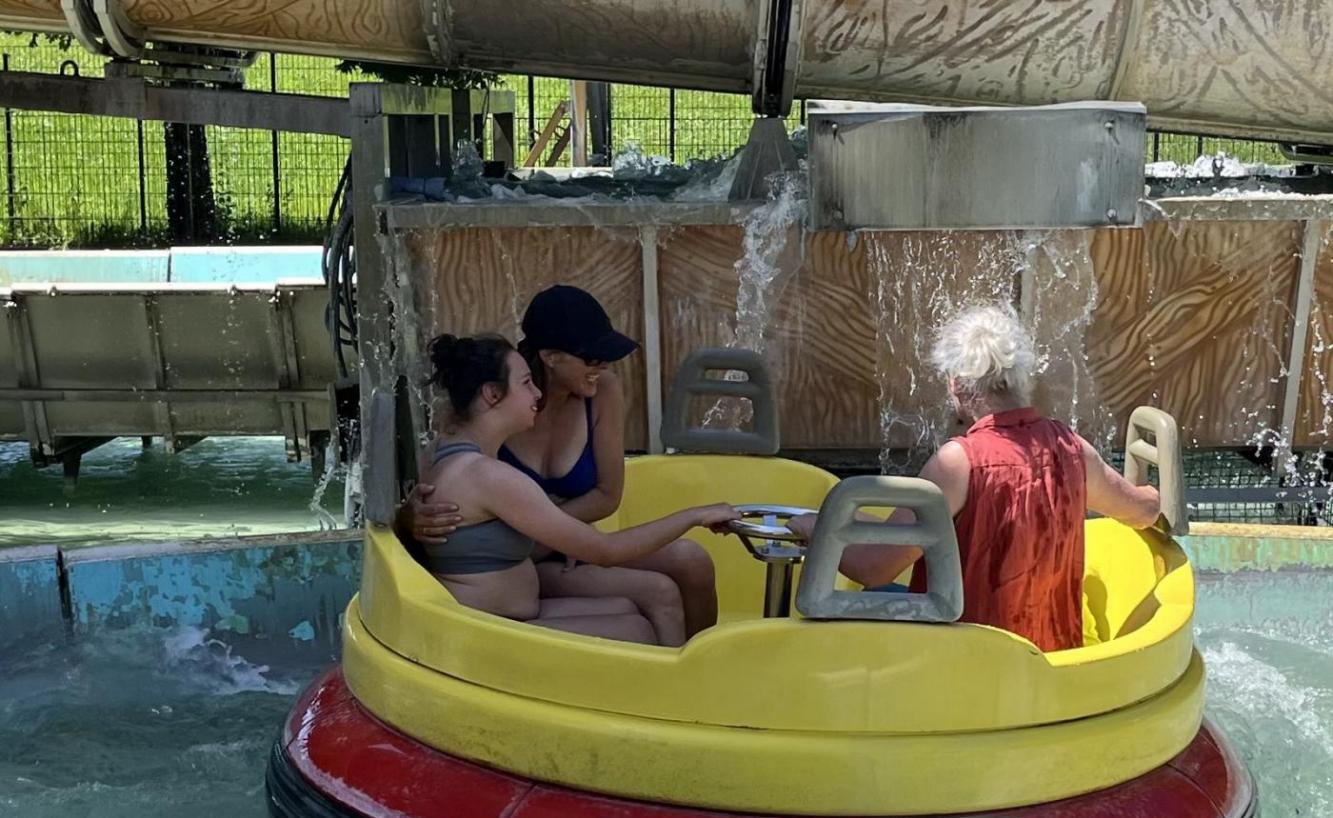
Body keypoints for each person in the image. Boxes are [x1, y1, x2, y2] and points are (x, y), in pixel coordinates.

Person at [791, 303, 1160, 653]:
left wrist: (814, 528)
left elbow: (875, 568)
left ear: (955, 384)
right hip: (1050, 662)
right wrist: (1157, 494)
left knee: (867, 600)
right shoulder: (1073, 449)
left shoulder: (957, 463)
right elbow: (1142, 511)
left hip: (968, 663)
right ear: (1021, 376)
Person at [408, 285, 720, 637]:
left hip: (553, 542)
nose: (603, 366)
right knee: (657, 595)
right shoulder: (495, 418)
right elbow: (442, 491)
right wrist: (410, 517)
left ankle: (703, 660)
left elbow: (607, 495)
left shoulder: (595, 392)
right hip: (523, 561)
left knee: (690, 561)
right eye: (591, 357)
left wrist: (558, 530)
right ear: (551, 357)